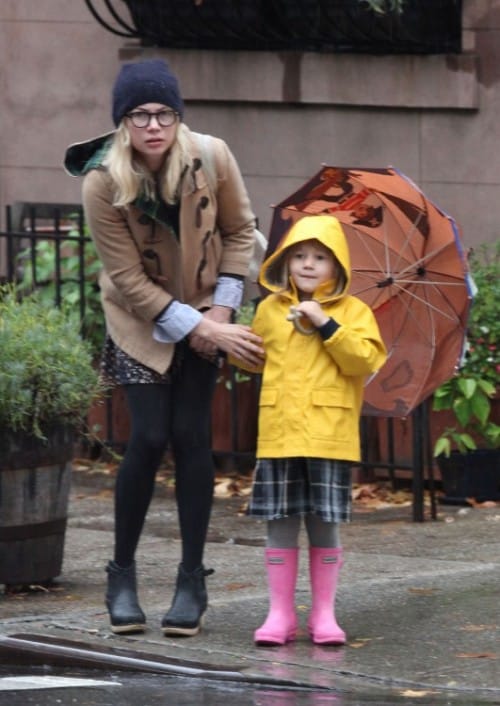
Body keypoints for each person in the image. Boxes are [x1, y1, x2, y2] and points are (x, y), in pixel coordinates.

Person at [64, 59, 264, 637]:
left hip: (209, 308)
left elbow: (240, 232)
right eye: (140, 115)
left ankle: (190, 579)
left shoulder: (212, 155)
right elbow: (126, 278)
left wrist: (220, 313)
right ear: (122, 122)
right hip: (138, 320)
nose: (154, 125)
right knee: (149, 437)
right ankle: (120, 575)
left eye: (164, 113)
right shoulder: (102, 181)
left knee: (193, 438)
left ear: (178, 117)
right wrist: (201, 329)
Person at [230, 214, 387, 646]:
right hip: (280, 432)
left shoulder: (355, 312)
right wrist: (238, 346)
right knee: (279, 521)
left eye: (320, 257)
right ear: (285, 262)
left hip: (328, 434)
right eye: (299, 255)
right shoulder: (271, 309)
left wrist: (326, 324)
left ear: (337, 267)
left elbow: (363, 361)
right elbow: (255, 359)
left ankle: (324, 615)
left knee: (324, 523)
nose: (308, 264)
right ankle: (280, 614)